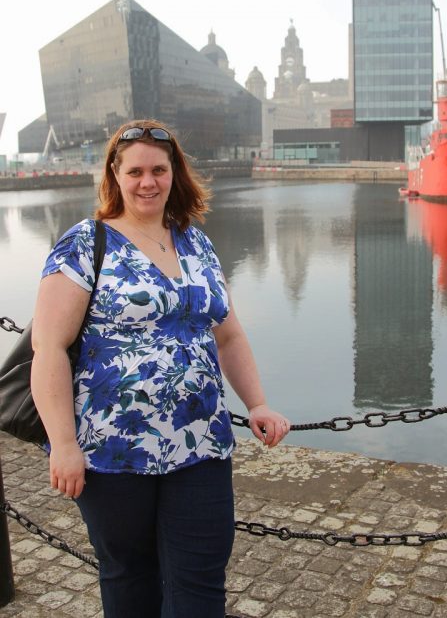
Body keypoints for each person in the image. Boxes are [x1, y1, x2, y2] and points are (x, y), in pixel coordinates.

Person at [31, 118, 290, 618]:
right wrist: (63, 444)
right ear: (115, 175)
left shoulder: (197, 243)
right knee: (130, 578)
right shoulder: (85, 244)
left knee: (201, 581)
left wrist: (257, 403)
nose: (147, 182)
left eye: (158, 170)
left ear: (175, 174)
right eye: (135, 172)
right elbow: (49, 348)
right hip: (112, 453)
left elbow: (229, 334)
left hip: (201, 444)